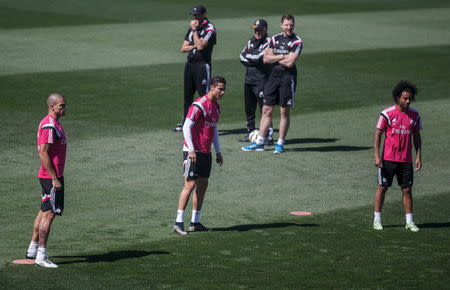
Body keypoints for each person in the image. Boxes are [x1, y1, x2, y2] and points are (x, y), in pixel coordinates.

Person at [241, 14, 302, 153]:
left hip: (287, 78)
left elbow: (290, 62)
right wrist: (282, 56)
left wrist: (275, 58)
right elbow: (266, 59)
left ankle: (280, 144)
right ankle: (260, 142)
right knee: (266, 110)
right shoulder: (275, 39)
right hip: (273, 77)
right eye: (286, 25)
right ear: (281, 25)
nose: (289, 27)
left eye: (291, 25)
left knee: (283, 111)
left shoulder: (297, 41)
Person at [173, 76, 226, 235]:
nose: (222, 92)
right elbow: (186, 126)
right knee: (189, 184)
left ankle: (195, 222)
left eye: (224, 89)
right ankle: (178, 222)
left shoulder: (216, 107)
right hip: (193, 151)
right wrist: (190, 149)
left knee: (203, 184)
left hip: (205, 152)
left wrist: (217, 151)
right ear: (212, 87)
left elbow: (213, 130)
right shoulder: (199, 105)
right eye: (220, 89)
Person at [373, 81, 422, 232]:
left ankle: (409, 222)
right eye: (405, 98)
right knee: (382, 187)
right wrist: (376, 155)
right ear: (397, 98)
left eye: (409, 99)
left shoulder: (415, 115)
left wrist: (418, 156)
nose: (407, 101)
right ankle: (377, 219)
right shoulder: (387, 114)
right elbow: (378, 134)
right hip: (388, 159)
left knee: (407, 190)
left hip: (405, 160)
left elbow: (417, 137)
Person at [25, 93, 67, 268]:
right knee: (49, 214)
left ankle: (32, 250)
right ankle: (41, 255)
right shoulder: (50, 126)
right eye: (62, 106)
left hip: (49, 176)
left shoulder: (52, 123)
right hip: (51, 177)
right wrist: (54, 178)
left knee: (43, 211)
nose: (65, 108)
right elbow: (43, 152)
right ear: (52, 107)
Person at [173, 4, 217, 132]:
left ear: (204, 15)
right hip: (190, 65)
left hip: (202, 66)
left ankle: (207, 123)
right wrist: (194, 44)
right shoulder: (193, 28)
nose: (194, 17)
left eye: (197, 15)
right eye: (193, 15)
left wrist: (195, 32)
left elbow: (201, 46)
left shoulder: (209, 28)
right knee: (187, 96)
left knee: (205, 96)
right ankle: (186, 123)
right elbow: (183, 48)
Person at [238, 19, 273, 144]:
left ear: (265, 29)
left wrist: (250, 58)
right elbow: (241, 56)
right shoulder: (251, 41)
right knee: (249, 108)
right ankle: (251, 133)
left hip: (262, 81)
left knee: (264, 109)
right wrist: (252, 58)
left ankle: (268, 136)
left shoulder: (269, 42)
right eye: (255, 29)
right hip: (249, 80)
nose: (257, 32)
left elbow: (259, 57)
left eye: (259, 29)